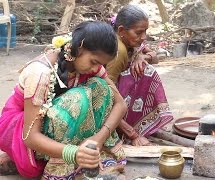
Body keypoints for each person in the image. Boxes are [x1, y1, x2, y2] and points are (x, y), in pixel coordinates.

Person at [0, 21, 127, 179]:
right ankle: (62, 167)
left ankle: (88, 154)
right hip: (20, 131)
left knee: (101, 87)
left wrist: (98, 139)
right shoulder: (40, 73)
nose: (96, 68)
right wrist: (74, 153)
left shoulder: (90, 66)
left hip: (54, 127)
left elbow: (120, 104)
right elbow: (30, 137)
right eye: (94, 62)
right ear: (79, 47)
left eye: (101, 64)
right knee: (78, 98)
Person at [107, 5, 173, 146]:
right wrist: (132, 134)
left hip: (113, 95)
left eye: (145, 32)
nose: (143, 37)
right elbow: (106, 96)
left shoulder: (129, 40)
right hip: (104, 102)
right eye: (139, 33)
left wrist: (142, 57)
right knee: (147, 73)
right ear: (121, 30)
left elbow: (155, 57)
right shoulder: (119, 52)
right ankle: (121, 129)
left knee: (145, 68)